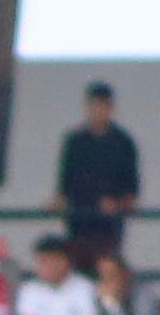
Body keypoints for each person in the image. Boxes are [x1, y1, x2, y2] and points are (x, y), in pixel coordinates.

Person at [57, 78, 140, 271]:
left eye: (102, 106)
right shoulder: (75, 142)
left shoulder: (123, 143)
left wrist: (117, 205)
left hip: (108, 228)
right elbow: (64, 184)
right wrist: (61, 202)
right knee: (79, 273)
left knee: (107, 271)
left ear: (111, 108)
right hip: (78, 224)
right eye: (93, 106)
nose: (97, 111)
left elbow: (131, 191)